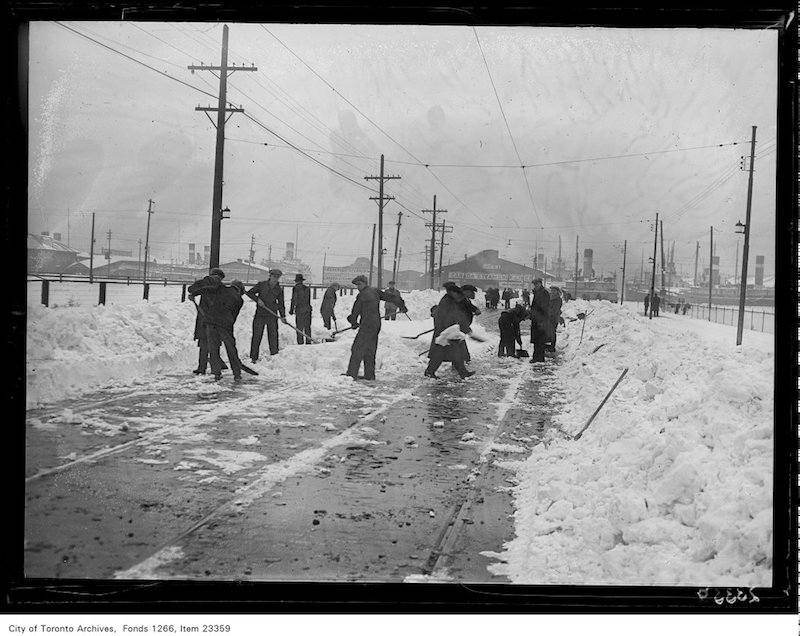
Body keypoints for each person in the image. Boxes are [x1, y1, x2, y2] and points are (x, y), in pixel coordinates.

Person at [344, 274, 407, 380]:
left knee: (357, 348)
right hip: (376, 324)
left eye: (359, 284)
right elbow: (391, 297)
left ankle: (351, 374)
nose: (358, 287)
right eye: (357, 285)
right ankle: (369, 375)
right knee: (370, 350)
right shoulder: (375, 291)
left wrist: (353, 321)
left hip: (367, 325)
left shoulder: (362, 295)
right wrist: (402, 306)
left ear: (364, 283)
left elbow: (355, 311)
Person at [189, 277, 246, 381]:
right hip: (225, 324)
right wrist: (229, 330)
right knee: (231, 349)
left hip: (211, 321)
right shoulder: (240, 300)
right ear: (239, 290)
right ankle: (237, 374)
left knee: (213, 349)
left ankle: (217, 374)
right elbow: (234, 316)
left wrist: (194, 294)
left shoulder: (221, 288)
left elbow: (205, 289)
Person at [425, 282, 475, 379]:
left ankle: (463, 372)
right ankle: (429, 371)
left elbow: (458, 316)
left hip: (451, 331)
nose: (458, 296)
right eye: (456, 293)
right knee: (439, 355)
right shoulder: (446, 301)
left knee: (455, 353)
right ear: (452, 292)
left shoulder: (452, 301)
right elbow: (444, 316)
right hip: (445, 332)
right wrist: (454, 328)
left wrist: (463, 327)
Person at [188, 267, 225, 375]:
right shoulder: (221, 287)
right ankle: (216, 367)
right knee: (215, 343)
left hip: (204, 318)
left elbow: (190, 289)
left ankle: (202, 368)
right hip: (216, 318)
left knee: (204, 342)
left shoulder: (204, 282)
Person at [246, 268, 289, 362]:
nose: (275, 279)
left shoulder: (279, 289)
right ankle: (253, 358)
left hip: (272, 315)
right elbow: (249, 293)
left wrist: (283, 316)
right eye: (274, 277)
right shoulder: (261, 285)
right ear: (270, 276)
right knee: (257, 335)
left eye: (277, 277)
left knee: (273, 336)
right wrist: (258, 300)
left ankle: (275, 357)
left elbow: (281, 304)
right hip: (260, 314)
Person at [529, 277, 550, 363]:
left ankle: (539, 358)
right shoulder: (537, 293)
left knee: (540, 340)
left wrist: (542, 320)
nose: (535, 286)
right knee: (536, 339)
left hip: (541, 320)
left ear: (540, 284)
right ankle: (536, 357)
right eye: (534, 284)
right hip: (536, 319)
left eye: (537, 284)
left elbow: (545, 308)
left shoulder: (544, 293)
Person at [289, 273, 313, 344]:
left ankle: (300, 343)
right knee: (307, 327)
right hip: (308, 309)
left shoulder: (296, 288)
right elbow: (308, 300)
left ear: (296, 281)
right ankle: (308, 342)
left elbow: (294, 299)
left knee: (299, 328)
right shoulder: (307, 288)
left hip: (300, 310)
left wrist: (291, 309)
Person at [547, 286, 563, 352]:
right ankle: (549, 345)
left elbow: (555, 310)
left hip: (554, 318)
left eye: (554, 290)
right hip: (549, 317)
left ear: (557, 291)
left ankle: (552, 346)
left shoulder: (558, 299)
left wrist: (549, 313)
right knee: (548, 332)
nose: (552, 292)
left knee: (552, 332)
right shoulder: (550, 297)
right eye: (551, 290)